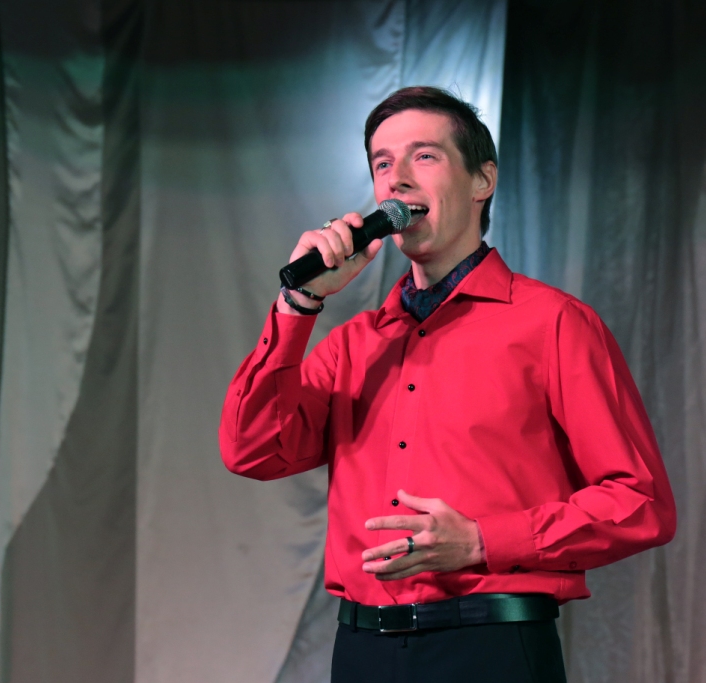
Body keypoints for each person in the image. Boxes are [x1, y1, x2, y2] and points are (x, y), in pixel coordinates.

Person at [219, 86, 676, 683]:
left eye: (424, 156)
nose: (397, 179)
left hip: (491, 649)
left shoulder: (554, 323)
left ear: (482, 180)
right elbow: (253, 449)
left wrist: (484, 540)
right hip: (362, 651)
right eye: (383, 163)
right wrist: (299, 302)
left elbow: (640, 502)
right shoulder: (354, 345)